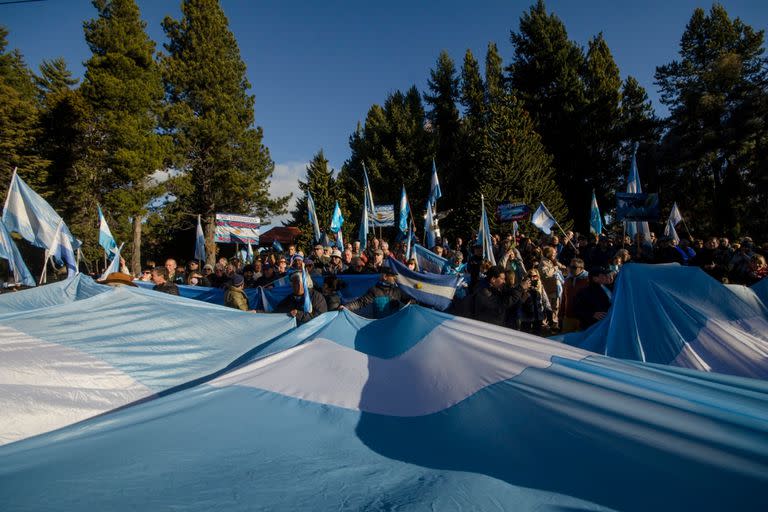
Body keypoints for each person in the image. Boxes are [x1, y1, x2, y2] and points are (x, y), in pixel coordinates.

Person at [342, 266, 408, 319]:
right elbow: (360, 303)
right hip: (379, 327)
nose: (395, 278)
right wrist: (346, 307)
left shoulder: (398, 290)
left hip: (395, 326)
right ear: (385, 277)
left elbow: (409, 301)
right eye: (392, 276)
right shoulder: (374, 291)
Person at [559, 258, 589, 333]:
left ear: (581, 268)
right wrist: (561, 313)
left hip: (582, 318)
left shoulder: (588, 281)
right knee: (565, 341)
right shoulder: (568, 280)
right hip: (568, 316)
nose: (571, 269)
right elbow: (564, 298)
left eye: (574, 267)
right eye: (570, 267)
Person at [517, 269, 551, 335]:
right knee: (524, 336)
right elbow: (518, 304)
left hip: (538, 317)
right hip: (526, 317)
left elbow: (545, 301)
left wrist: (548, 312)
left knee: (537, 336)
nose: (532, 278)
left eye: (534, 276)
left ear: (538, 277)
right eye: (529, 276)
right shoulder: (523, 287)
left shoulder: (540, 287)